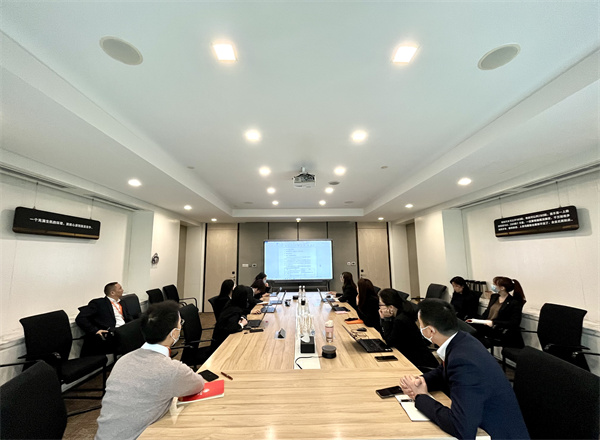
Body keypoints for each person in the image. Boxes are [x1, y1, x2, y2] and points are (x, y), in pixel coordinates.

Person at [400, 299, 529, 440]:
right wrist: (422, 380)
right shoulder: (463, 340)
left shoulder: (463, 362)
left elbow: (461, 428)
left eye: (420, 325)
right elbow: (444, 370)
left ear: (430, 331)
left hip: (495, 434)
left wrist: (421, 397)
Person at [95, 301, 205, 440]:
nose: (181, 326)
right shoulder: (172, 369)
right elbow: (198, 384)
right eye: (180, 323)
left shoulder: (123, 360)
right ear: (174, 333)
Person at [378, 288, 438, 369]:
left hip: (419, 364)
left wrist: (385, 319)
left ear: (391, 307)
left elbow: (389, 341)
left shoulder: (400, 320)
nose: (379, 308)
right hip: (414, 358)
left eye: (381, 305)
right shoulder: (400, 315)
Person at [467, 276, 526, 348]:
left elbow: (514, 322)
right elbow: (487, 312)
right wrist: (479, 320)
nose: (492, 286)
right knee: (468, 331)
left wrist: (493, 322)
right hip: (487, 326)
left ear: (502, 288)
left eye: (494, 284)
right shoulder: (494, 297)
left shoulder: (513, 302)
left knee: (477, 341)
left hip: (499, 329)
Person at [76, 282, 133, 354]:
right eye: (120, 288)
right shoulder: (99, 303)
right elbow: (81, 318)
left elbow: (128, 317)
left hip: (124, 329)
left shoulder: (122, 303)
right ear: (112, 292)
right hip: (113, 332)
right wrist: (95, 330)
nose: (122, 290)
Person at [210, 285, 249, 351]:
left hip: (220, 339)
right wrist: (242, 324)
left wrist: (241, 318)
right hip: (221, 345)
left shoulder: (231, 303)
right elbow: (232, 328)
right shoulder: (235, 310)